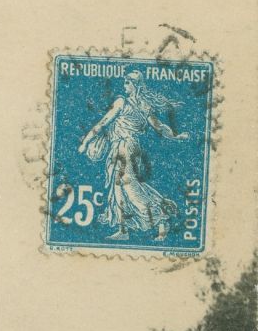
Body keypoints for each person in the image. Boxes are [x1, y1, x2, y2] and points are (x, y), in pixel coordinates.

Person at [78, 71, 189, 242]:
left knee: (129, 187)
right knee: (119, 189)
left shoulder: (122, 102)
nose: (124, 86)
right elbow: (160, 127)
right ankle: (123, 229)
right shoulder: (144, 105)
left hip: (125, 148)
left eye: (127, 83)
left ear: (134, 85)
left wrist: (85, 142)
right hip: (126, 148)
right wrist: (175, 136)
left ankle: (160, 218)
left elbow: (103, 122)